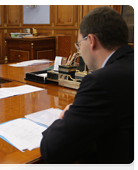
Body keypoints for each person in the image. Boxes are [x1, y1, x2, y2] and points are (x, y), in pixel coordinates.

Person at [40, 6, 135, 170]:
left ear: (91, 41)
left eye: (79, 44)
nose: (79, 51)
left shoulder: (100, 82)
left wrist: (67, 115)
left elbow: (52, 150)